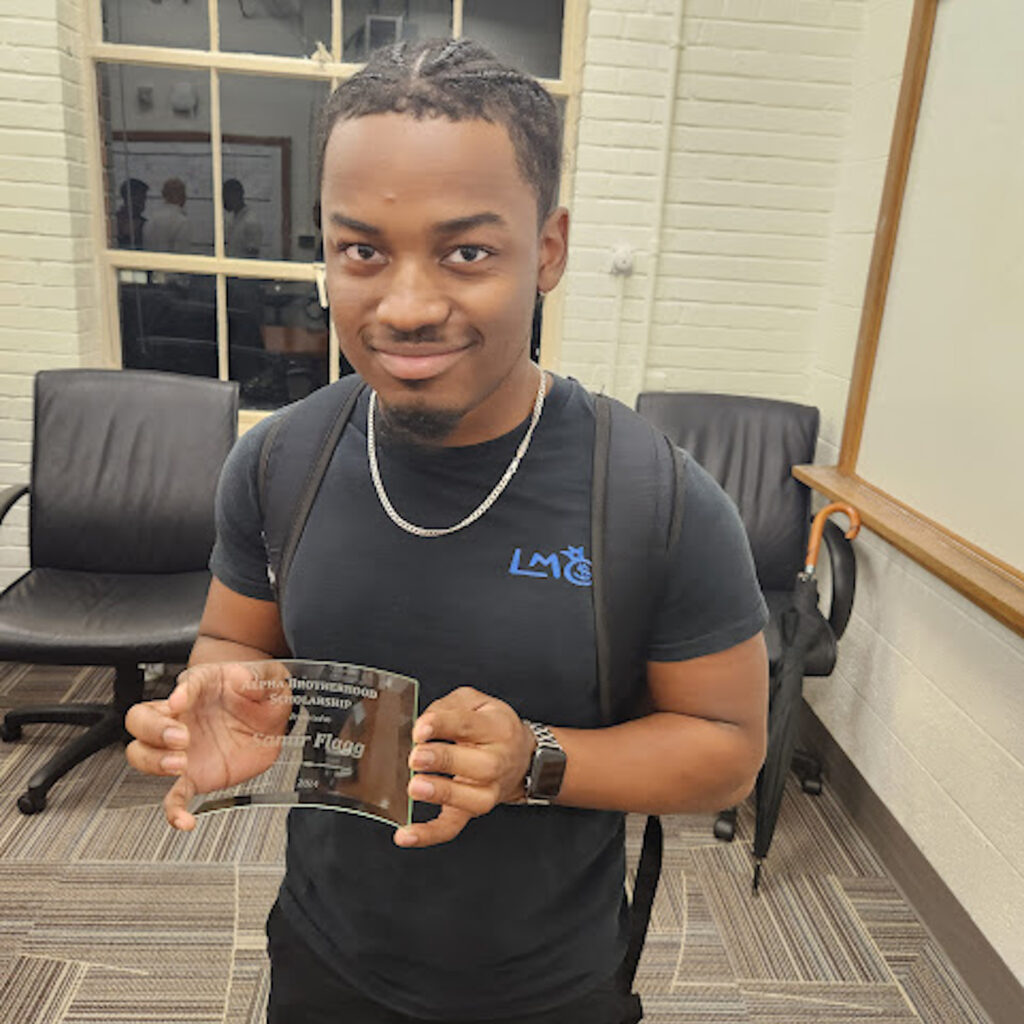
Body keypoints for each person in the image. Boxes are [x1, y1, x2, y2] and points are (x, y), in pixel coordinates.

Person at [125, 39, 769, 1024]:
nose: (409, 306)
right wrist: (223, 694)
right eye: (362, 251)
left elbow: (726, 748)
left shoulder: (654, 496)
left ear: (546, 249)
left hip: (545, 986)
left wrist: (535, 762)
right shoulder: (278, 462)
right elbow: (235, 641)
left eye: (466, 252)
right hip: (322, 954)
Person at [144, 177, 191, 254]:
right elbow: (182, 253)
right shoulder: (182, 222)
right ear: (183, 197)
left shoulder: (151, 219)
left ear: (164, 195)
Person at [223, 177, 263, 258]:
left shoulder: (250, 222)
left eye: (225, 196)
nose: (223, 200)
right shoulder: (233, 218)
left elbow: (252, 256)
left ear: (236, 195)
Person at [114, 177, 148, 249]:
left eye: (144, 199)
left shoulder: (145, 224)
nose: (143, 203)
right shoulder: (114, 222)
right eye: (141, 199)